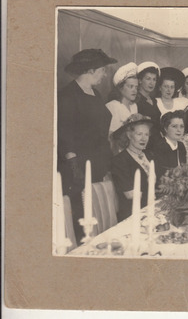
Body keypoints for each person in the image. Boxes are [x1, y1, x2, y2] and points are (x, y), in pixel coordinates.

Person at [57, 48, 117, 243]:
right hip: (78, 170)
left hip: (97, 164)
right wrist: (74, 168)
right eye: (102, 70)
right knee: (82, 220)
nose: (104, 74)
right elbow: (65, 134)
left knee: (97, 213)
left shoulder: (95, 93)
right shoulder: (68, 95)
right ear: (91, 70)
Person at [110, 114, 154, 222]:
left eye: (146, 134)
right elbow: (130, 194)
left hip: (151, 209)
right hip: (133, 215)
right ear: (129, 135)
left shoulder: (149, 155)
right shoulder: (119, 161)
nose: (144, 138)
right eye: (139, 134)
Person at [106, 62, 139, 154]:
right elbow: (111, 138)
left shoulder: (134, 106)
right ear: (120, 88)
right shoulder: (112, 106)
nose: (134, 90)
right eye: (130, 86)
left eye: (136, 87)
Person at [151, 110, 187, 178]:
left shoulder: (181, 145)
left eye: (182, 126)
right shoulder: (160, 146)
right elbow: (161, 175)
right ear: (165, 128)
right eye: (174, 126)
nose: (179, 130)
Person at [135, 61, 161, 146]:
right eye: (148, 79)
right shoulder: (136, 99)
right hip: (144, 142)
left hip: (157, 141)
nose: (152, 83)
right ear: (140, 80)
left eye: (154, 79)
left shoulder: (154, 100)